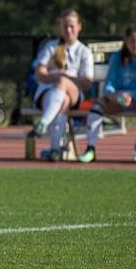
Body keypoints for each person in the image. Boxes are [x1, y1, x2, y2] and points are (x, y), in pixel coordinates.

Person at [79, 25, 136, 164]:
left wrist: (131, 95)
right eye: (132, 41)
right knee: (98, 104)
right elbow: (110, 82)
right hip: (120, 99)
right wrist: (114, 95)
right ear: (126, 41)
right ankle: (90, 149)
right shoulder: (117, 56)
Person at [32, 9, 94, 161]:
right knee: (62, 100)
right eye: (65, 26)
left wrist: (67, 79)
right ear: (59, 27)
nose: (68, 30)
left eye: (72, 26)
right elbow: (39, 74)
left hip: (75, 95)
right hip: (47, 94)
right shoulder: (51, 47)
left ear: (79, 26)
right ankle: (55, 149)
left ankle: (43, 123)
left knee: (63, 85)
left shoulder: (84, 51)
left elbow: (87, 83)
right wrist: (58, 75)